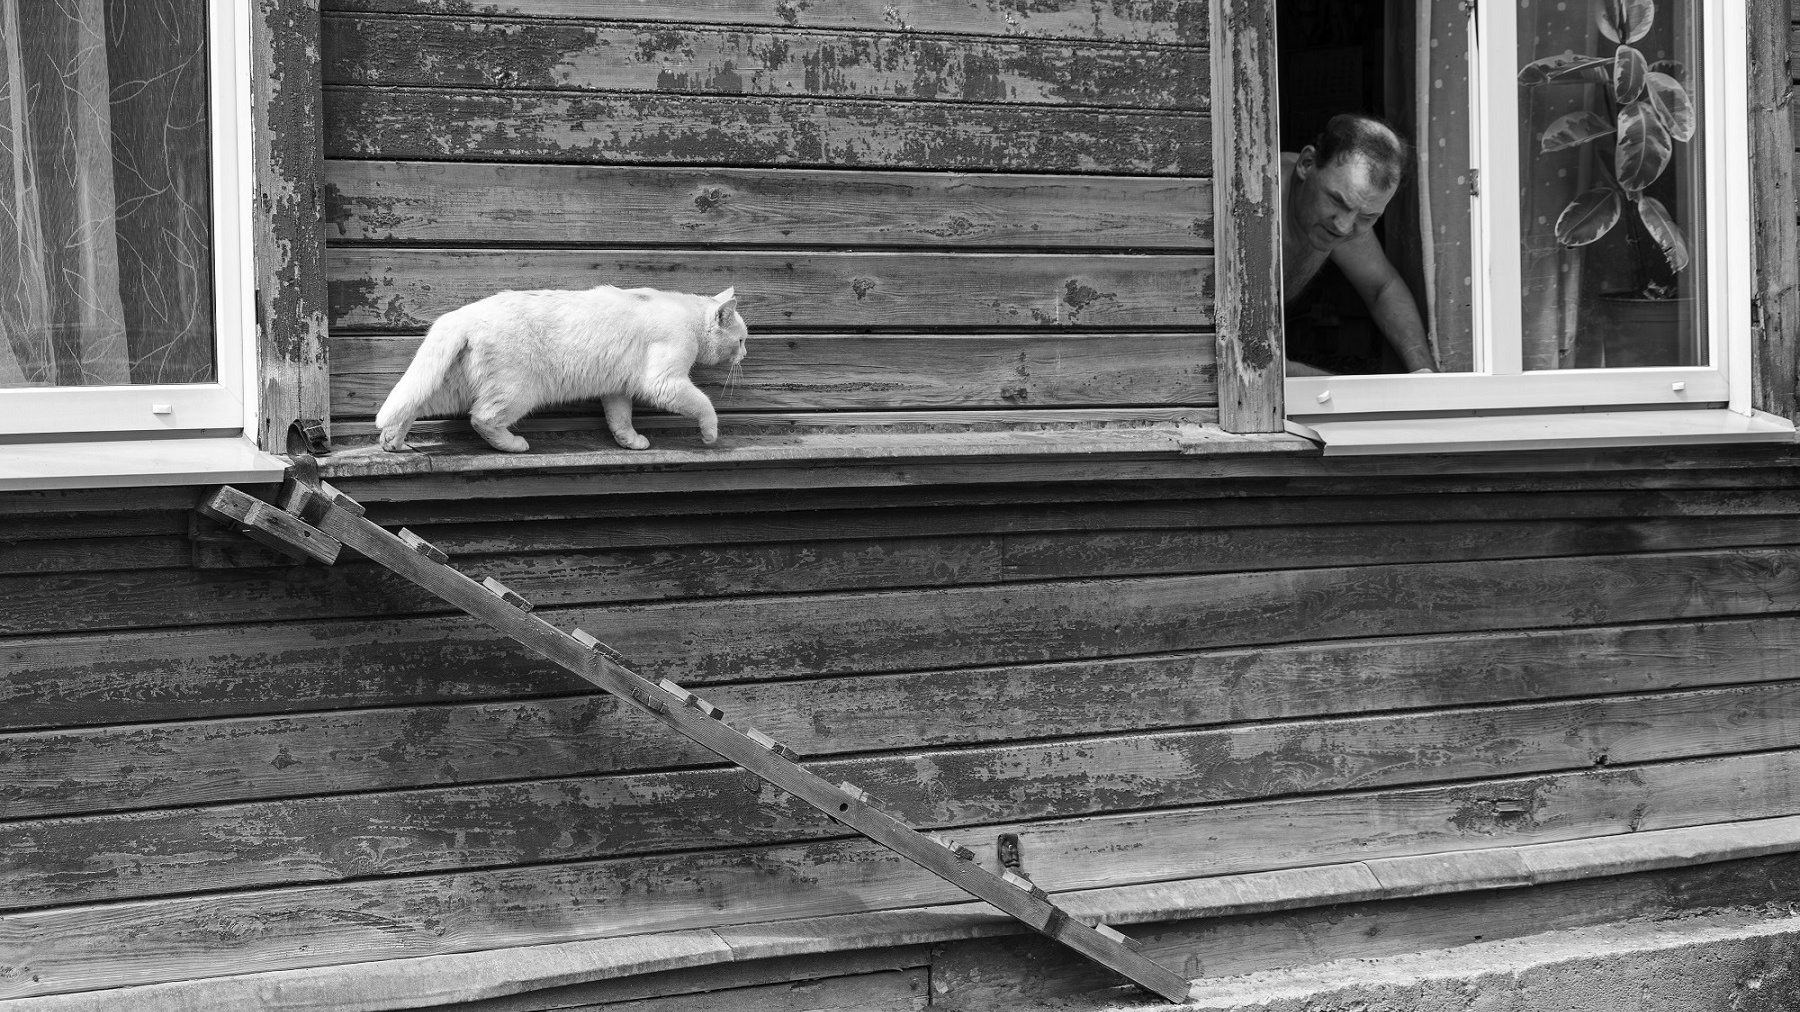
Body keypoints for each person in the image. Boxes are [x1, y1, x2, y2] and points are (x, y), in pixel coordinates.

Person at [1283, 114, 1436, 375]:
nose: (1343, 226)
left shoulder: (1346, 213)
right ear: (1307, 164)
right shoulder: (1256, 197)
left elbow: (1382, 288)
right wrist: (1355, 397)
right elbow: (1253, 364)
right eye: (1337, 201)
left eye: (1366, 217)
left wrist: (1423, 371)